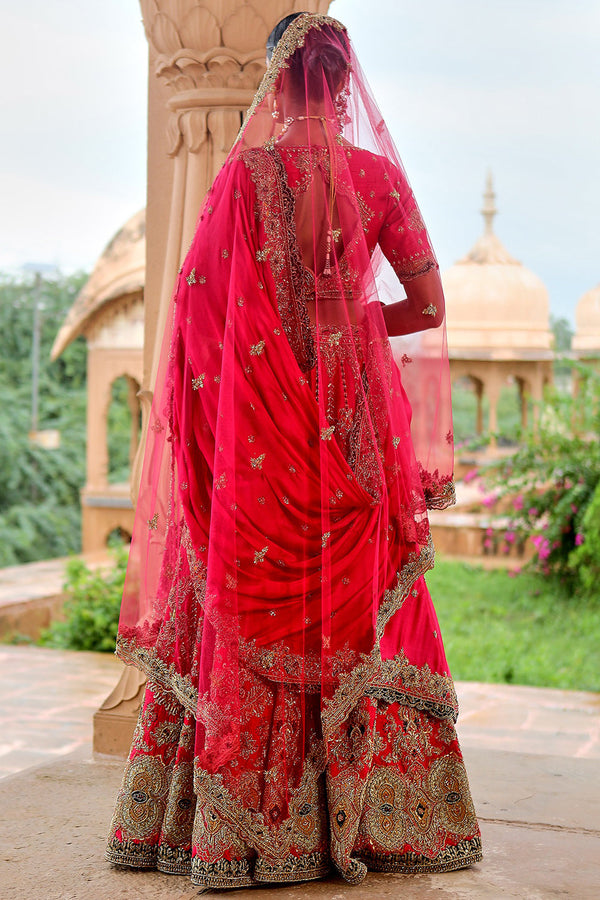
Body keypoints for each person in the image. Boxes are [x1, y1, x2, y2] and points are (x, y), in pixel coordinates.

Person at [106, 12, 482, 888]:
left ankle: (245, 840)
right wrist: (354, 323)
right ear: (347, 86)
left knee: (243, 599)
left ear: (274, 84)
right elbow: (426, 309)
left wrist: (244, 380)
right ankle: (381, 821)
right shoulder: (378, 177)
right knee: (364, 604)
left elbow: (197, 317)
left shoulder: (241, 178)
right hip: (357, 427)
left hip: (259, 435)